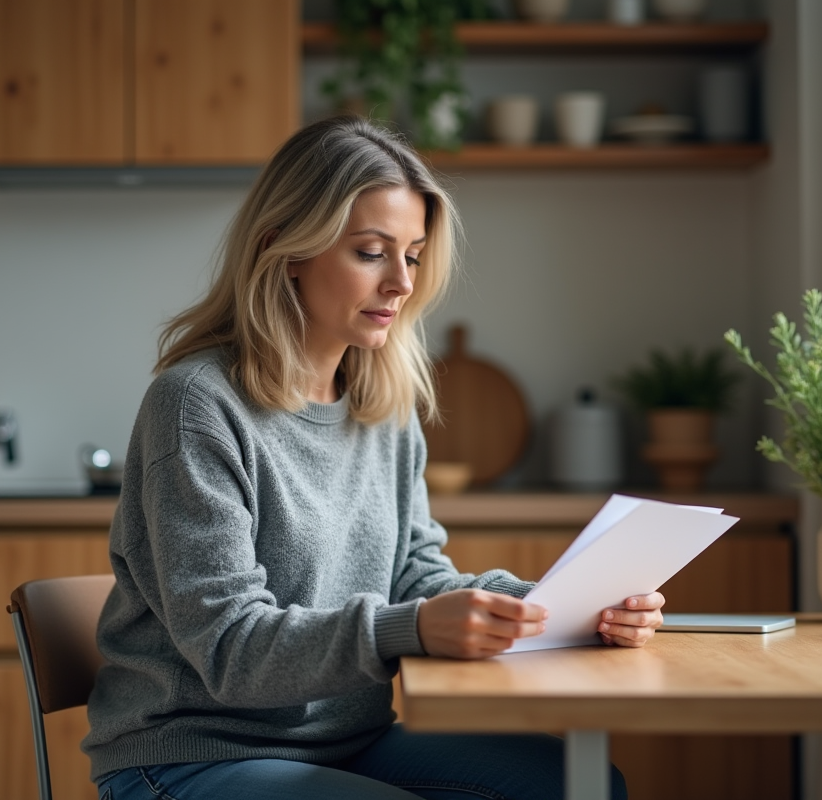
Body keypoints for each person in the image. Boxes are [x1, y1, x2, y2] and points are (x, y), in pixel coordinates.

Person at [83, 115, 664, 800]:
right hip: (194, 754)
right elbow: (229, 648)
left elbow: (414, 572)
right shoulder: (196, 406)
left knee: (582, 785)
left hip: (348, 741)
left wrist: (554, 606)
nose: (401, 283)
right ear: (284, 249)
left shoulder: (381, 404)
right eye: (371, 252)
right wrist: (408, 629)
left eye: (412, 256)